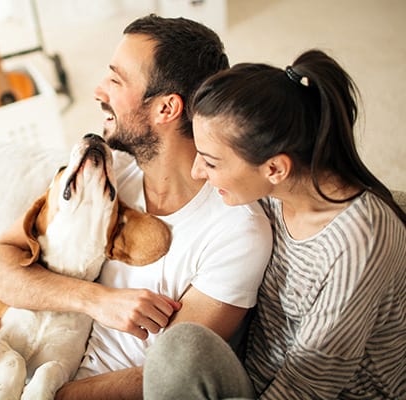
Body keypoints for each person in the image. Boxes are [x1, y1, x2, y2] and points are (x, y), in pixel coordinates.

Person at [0, 14, 273, 399]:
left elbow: (167, 376)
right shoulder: (110, 171)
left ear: (166, 109)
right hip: (39, 364)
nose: (98, 89)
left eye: (116, 79)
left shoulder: (237, 231)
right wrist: (96, 300)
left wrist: (15, 390)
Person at [143, 49, 406, 399]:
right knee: (178, 346)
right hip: (255, 369)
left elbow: (308, 387)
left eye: (210, 162)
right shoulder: (271, 193)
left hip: (313, 392)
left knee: (178, 353)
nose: (197, 173)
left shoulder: (360, 240)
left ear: (275, 169)